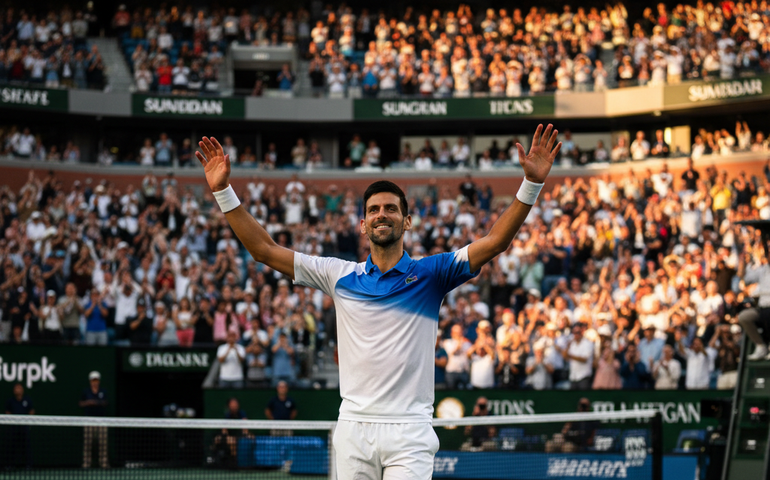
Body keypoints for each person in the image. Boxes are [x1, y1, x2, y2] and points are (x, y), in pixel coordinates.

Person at [195, 123, 561, 480]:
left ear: (407, 221)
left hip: (410, 431)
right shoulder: (337, 274)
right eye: (373, 210)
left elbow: (495, 241)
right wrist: (224, 190)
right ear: (362, 224)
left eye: (389, 208)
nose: (381, 214)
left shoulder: (433, 273)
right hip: (354, 428)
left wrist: (532, 182)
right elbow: (264, 250)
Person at [79, 371, 108, 469]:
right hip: (88, 421)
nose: (94, 382)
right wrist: (88, 402)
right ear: (90, 381)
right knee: (87, 443)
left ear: (99, 381)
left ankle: (103, 463)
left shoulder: (103, 391)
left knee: (103, 443)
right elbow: (81, 403)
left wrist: (96, 402)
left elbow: (106, 402)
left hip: (101, 421)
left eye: (96, 380)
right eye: (93, 380)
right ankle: (86, 463)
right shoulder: (86, 392)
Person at [5, 383, 34, 469]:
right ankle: (10, 465)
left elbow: (31, 410)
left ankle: (29, 465)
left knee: (26, 446)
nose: (18, 389)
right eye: (16, 388)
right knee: (12, 446)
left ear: (23, 390)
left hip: (24, 427)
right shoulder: (10, 401)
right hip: (14, 427)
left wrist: (29, 421)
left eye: (19, 388)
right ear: (14, 390)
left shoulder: (27, 399)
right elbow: (7, 412)